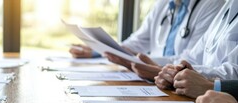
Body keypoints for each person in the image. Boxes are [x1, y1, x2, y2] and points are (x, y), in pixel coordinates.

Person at [69, 0, 224, 60]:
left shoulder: (213, 4)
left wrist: (144, 63)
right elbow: (137, 43)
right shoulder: (163, 4)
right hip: (152, 80)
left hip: (174, 83)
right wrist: (98, 51)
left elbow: (192, 60)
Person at [127, 0, 238, 81]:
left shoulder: (213, 4)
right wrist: (167, 70)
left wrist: (167, 71)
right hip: (174, 84)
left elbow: (234, 73)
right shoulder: (229, 5)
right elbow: (192, 58)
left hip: (215, 99)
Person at [155, 60, 238, 98]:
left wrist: (207, 85)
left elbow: (234, 71)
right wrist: (176, 70)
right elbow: (192, 57)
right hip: (199, 99)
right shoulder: (216, 24)